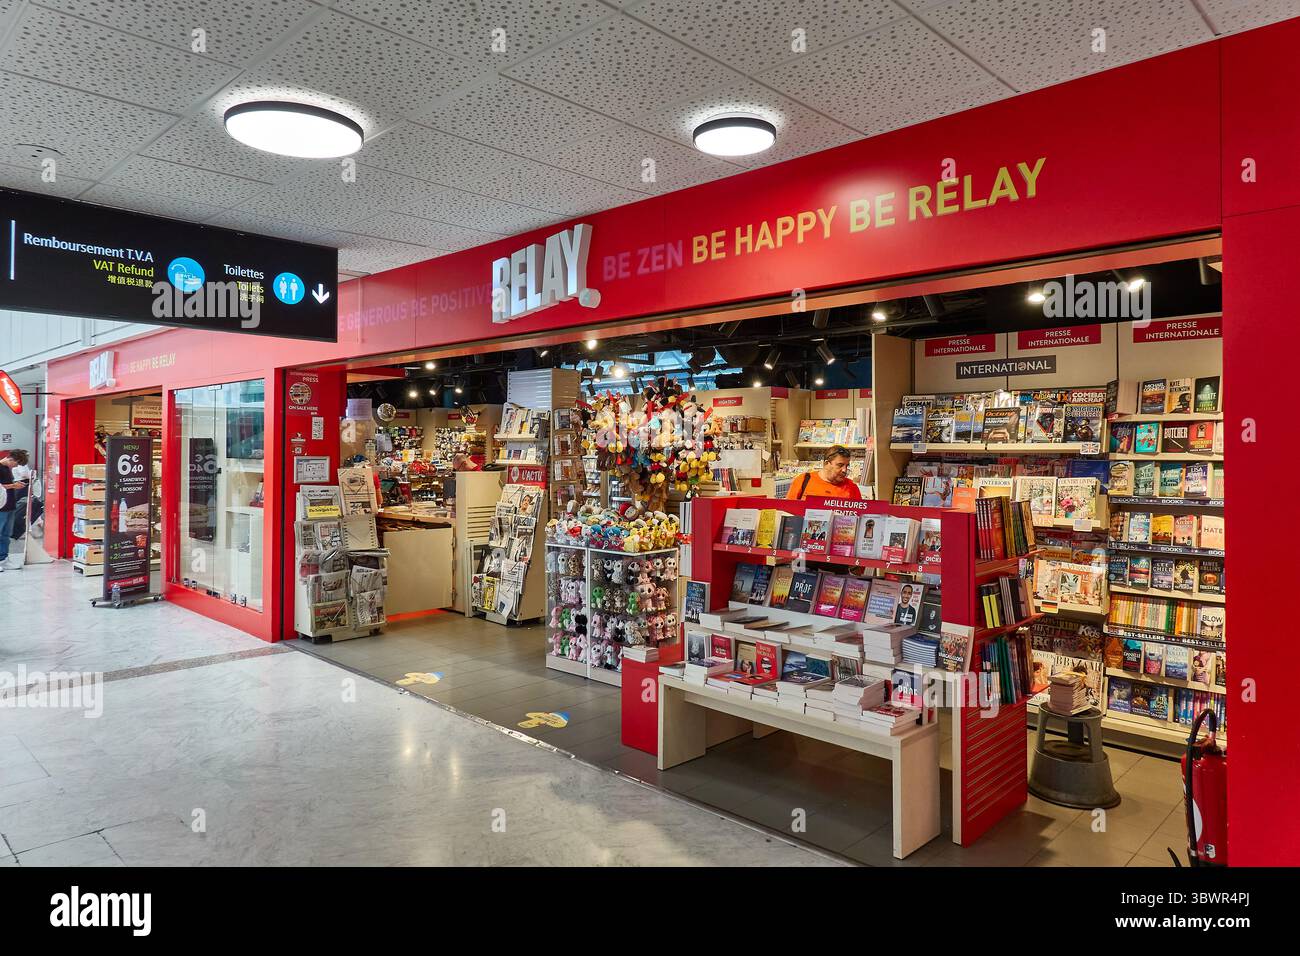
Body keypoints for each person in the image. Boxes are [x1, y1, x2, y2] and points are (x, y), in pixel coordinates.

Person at [785, 445, 861, 501]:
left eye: (847, 466)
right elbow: (788, 510)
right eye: (840, 465)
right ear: (826, 463)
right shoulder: (803, 480)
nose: (844, 470)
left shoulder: (851, 487)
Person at [0, 452, 23, 571]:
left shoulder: (6, 469)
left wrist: (14, 485)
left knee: (6, 534)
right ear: (10, 459)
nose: (15, 467)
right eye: (16, 463)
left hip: (10, 505)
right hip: (1, 506)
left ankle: (3, 559)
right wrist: (14, 486)